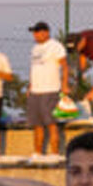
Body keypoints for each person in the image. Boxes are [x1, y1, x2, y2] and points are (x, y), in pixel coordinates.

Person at [27, 21, 68, 156]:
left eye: (37, 32)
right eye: (34, 33)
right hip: (35, 91)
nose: (35, 35)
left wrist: (64, 85)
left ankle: (55, 153)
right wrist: (30, 86)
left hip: (50, 89)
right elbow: (33, 69)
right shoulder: (35, 49)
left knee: (51, 123)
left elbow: (64, 66)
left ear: (46, 32)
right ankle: (37, 153)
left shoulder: (55, 46)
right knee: (37, 124)